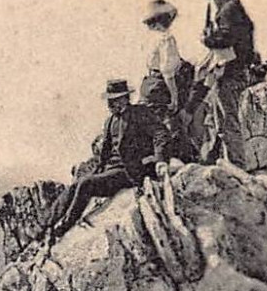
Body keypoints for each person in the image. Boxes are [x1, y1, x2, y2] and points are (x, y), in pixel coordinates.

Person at [39, 80, 170, 248]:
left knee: (86, 185)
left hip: (130, 171)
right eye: (109, 100)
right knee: (77, 184)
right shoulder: (110, 121)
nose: (109, 104)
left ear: (124, 99)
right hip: (111, 170)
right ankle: (48, 225)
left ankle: (63, 227)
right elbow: (105, 154)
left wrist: (160, 160)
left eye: (113, 100)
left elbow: (161, 133)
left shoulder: (140, 113)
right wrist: (94, 169)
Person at [188, 0, 260, 163]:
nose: (214, 3)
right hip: (237, 71)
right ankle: (231, 159)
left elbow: (226, 38)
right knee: (224, 120)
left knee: (228, 121)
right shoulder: (237, 11)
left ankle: (238, 163)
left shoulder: (228, 11)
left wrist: (207, 39)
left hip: (230, 72)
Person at [139, 0, 193, 161]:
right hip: (161, 86)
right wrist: (174, 96)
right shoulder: (166, 39)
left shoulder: (150, 39)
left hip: (148, 83)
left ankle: (157, 159)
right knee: (170, 125)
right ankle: (174, 160)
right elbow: (167, 71)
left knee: (152, 124)